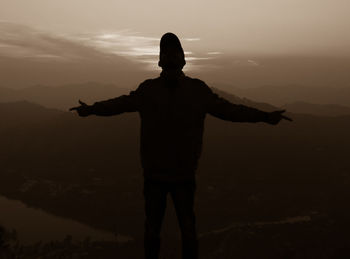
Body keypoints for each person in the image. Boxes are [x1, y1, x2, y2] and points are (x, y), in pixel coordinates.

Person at [70, 32, 291, 259]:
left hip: (168, 175)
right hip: (172, 175)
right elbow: (231, 111)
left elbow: (118, 105)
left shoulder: (160, 91)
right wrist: (265, 117)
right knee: (179, 231)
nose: (172, 59)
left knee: (163, 232)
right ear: (178, 60)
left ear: (163, 60)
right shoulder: (185, 91)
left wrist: (91, 110)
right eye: (171, 55)